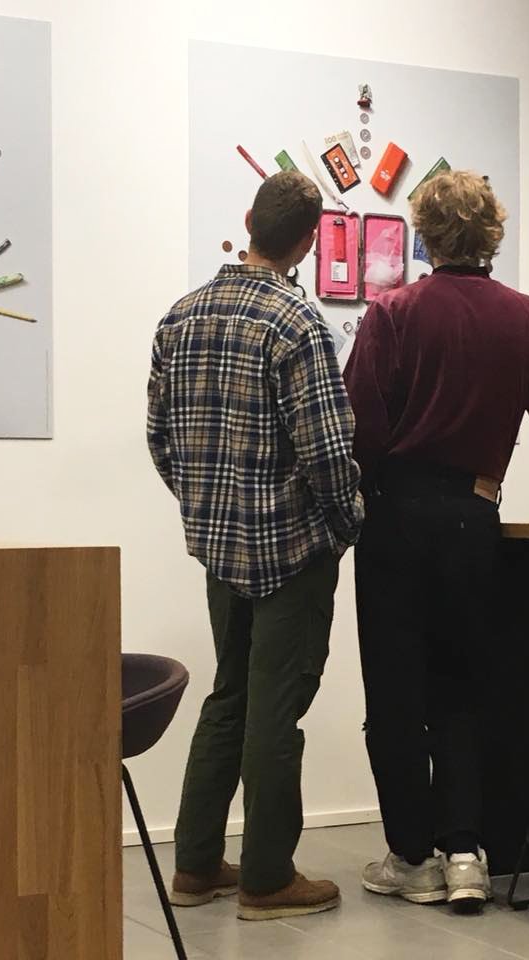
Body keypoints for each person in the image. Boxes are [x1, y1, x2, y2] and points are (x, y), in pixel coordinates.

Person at [343, 170, 529, 914]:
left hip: (396, 518)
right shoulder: (527, 318)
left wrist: (358, 505)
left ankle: (412, 857)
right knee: (464, 689)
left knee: (398, 693)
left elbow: (361, 430)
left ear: (426, 235)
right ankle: (467, 852)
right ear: (492, 234)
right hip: (475, 519)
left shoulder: (393, 313)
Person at [147, 171, 364, 921]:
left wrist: (208, 511)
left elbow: (160, 440)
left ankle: (198, 865)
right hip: (290, 553)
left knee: (229, 694)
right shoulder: (296, 324)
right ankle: (269, 878)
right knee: (277, 709)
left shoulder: (180, 317)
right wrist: (348, 521)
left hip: (219, 549)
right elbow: (330, 453)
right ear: (308, 241)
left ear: (248, 221)